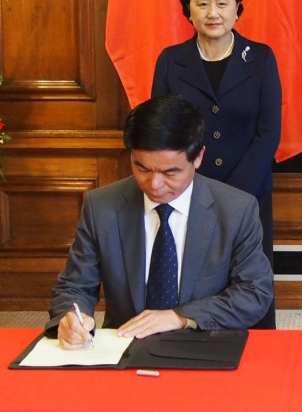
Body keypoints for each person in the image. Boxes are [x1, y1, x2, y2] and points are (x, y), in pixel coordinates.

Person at [47, 95, 274, 347]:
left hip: (204, 344)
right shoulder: (102, 206)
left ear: (198, 157)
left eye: (169, 172)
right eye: (142, 169)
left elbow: (254, 293)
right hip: (126, 344)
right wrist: (71, 317)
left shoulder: (236, 209)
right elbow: (74, 286)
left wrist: (180, 317)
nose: (154, 185)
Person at [151, 0, 281, 328]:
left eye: (222, 3)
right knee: (193, 278)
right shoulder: (171, 61)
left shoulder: (260, 58)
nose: (213, 13)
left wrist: (232, 195)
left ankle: (258, 348)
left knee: (251, 281)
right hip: (187, 191)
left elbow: (268, 133)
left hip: (250, 193)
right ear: (188, 9)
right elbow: (162, 132)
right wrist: (195, 187)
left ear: (237, 8)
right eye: (202, 3)